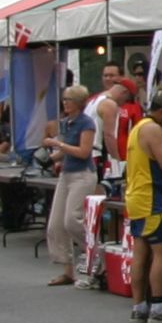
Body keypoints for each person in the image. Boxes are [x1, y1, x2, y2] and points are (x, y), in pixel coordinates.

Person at [123, 90, 162, 323]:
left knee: (140, 253)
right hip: (151, 198)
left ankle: (139, 306)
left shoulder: (138, 127)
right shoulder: (153, 129)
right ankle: (158, 307)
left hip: (136, 197)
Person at [41, 84, 96, 286]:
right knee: (55, 224)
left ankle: (96, 256)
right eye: (64, 99)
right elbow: (65, 152)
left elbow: (83, 151)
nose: (65, 103)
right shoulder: (66, 123)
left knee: (72, 220)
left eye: (69, 100)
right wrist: (50, 158)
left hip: (83, 174)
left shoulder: (86, 123)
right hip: (67, 173)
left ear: (79, 103)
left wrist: (58, 145)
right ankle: (67, 269)